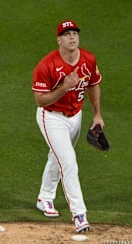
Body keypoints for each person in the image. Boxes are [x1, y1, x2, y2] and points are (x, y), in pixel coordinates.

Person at [31, 20, 104, 233]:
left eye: (75, 33)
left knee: (58, 157)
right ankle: (80, 215)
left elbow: (93, 84)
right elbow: (40, 101)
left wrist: (97, 114)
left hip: (76, 116)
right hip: (51, 118)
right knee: (69, 161)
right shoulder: (46, 65)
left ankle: (44, 198)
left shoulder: (88, 59)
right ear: (59, 40)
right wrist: (64, 88)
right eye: (67, 34)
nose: (72, 37)